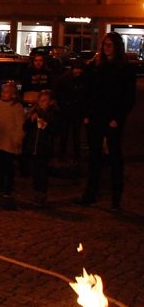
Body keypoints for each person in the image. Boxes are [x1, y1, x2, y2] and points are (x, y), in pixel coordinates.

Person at [76, 32, 137, 211]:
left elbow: (128, 97)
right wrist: (86, 114)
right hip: (95, 117)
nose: (106, 48)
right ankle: (90, 193)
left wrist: (117, 118)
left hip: (112, 119)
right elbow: (87, 91)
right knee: (94, 157)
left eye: (110, 45)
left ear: (117, 47)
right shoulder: (97, 67)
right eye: (105, 45)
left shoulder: (124, 69)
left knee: (115, 157)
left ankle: (116, 198)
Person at [0, 82, 25, 208]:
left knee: (8, 166)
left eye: (8, 92)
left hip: (10, 140)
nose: (4, 94)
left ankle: (8, 188)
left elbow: (20, 125)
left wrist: (18, 138)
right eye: (3, 92)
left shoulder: (17, 107)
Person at [23, 89, 59, 206]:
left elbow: (56, 131)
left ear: (51, 102)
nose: (41, 103)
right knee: (35, 170)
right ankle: (36, 192)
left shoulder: (53, 115)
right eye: (40, 100)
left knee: (42, 171)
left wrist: (46, 125)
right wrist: (31, 121)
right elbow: (25, 127)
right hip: (34, 146)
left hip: (44, 147)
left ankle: (42, 193)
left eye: (44, 101)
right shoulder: (35, 112)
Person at [55, 60, 86, 162]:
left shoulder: (82, 80)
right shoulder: (65, 79)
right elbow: (58, 93)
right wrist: (62, 105)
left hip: (76, 111)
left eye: (79, 69)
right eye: (76, 69)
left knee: (76, 134)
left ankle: (76, 154)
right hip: (67, 110)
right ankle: (63, 154)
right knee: (65, 133)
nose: (78, 71)